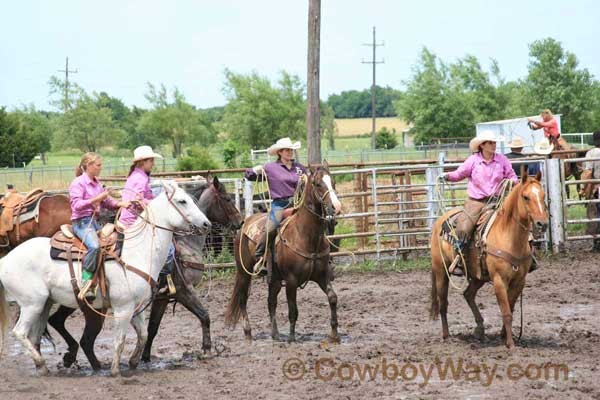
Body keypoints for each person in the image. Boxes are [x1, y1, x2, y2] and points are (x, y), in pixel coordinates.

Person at [441, 131, 518, 275]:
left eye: (494, 143)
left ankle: (526, 254)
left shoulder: (502, 160)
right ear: (482, 145)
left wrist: (512, 181)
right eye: (490, 143)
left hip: (498, 200)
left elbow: (513, 176)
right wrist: (447, 176)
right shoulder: (473, 160)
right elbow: (459, 174)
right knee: (464, 227)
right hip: (476, 202)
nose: (494, 145)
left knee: (517, 221)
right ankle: (460, 257)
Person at [69, 152, 130, 301]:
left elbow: (106, 202)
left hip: (94, 222)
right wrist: (96, 199)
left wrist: (120, 204)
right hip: (82, 223)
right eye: (98, 165)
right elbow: (76, 205)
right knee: (95, 246)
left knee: (119, 239)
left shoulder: (96, 182)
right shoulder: (78, 183)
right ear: (88, 165)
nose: (100, 168)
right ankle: (86, 279)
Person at [118, 146, 175, 293]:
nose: (153, 164)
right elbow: (138, 199)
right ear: (143, 162)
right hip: (134, 221)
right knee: (169, 249)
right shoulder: (140, 178)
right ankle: (161, 282)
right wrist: (157, 204)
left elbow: (142, 198)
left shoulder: (138, 176)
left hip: (132, 218)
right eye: (151, 161)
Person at [245, 137, 307, 273]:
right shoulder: (270, 168)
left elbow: (309, 182)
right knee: (271, 226)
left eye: (291, 150)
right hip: (281, 204)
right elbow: (249, 176)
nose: (290, 152)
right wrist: (254, 170)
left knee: (317, 221)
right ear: (280, 152)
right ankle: (260, 257)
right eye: (286, 150)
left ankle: (323, 256)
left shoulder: (300, 168)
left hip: (300, 203)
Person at [583, 131, 600, 252]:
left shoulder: (592, 153)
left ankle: (598, 242)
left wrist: (584, 187)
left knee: (597, 213)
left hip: (598, 186)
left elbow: (588, 172)